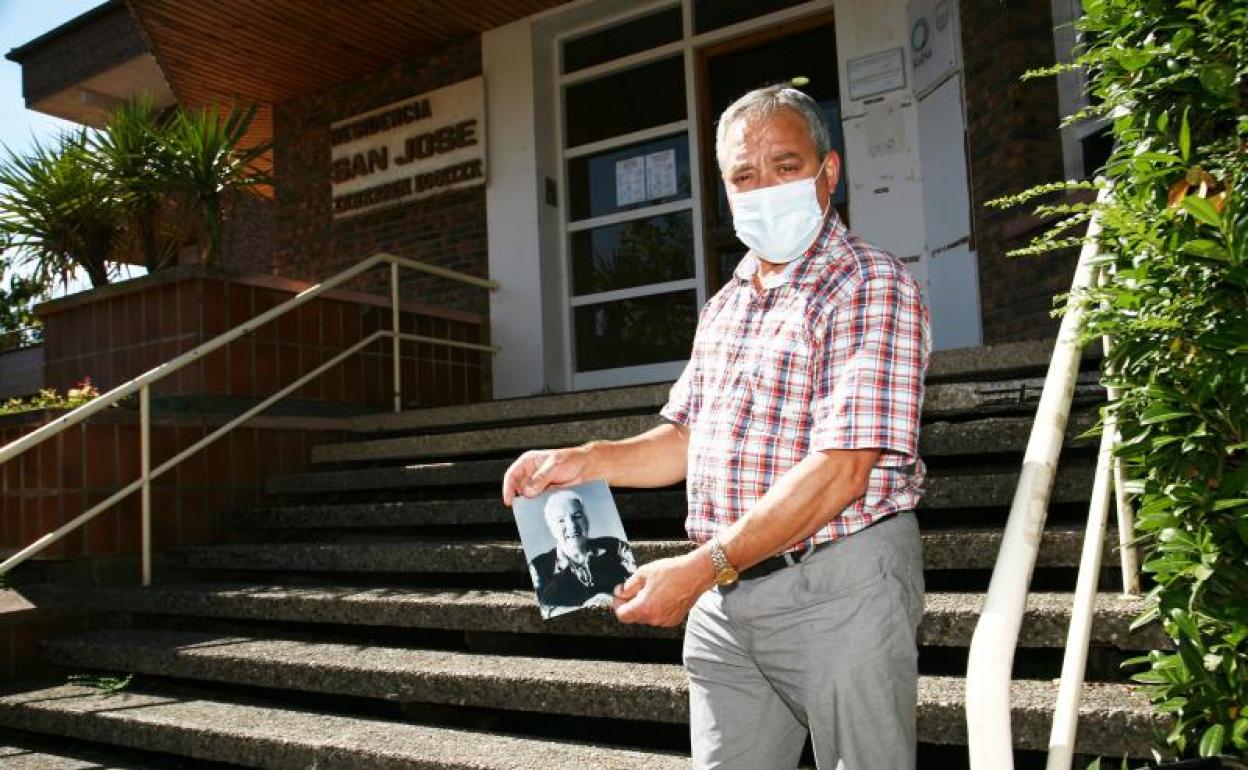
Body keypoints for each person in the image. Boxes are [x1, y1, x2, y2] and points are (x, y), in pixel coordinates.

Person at [503, 84, 929, 769]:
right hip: (727, 603)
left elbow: (843, 469)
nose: (764, 188)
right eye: (743, 175)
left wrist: (703, 569)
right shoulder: (728, 304)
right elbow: (686, 437)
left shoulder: (869, 283)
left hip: (837, 587)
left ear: (829, 171)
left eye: (785, 166)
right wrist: (585, 460)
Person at [528, 489, 636, 618]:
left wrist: (611, 599)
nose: (572, 526)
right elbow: (543, 610)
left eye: (577, 516)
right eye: (561, 520)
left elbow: (640, 586)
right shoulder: (538, 567)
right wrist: (587, 608)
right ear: (551, 527)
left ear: (587, 519)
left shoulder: (616, 547)